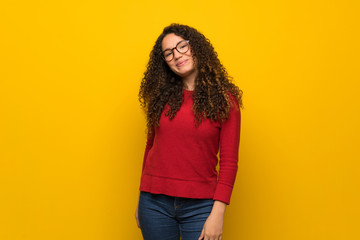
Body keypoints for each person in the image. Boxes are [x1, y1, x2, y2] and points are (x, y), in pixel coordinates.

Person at [135, 23, 243, 240]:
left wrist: (218, 213)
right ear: (164, 62)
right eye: (168, 53)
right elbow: (151, 148)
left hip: (201, 206)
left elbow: (229, 162)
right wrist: (141, 197)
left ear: (196, 47)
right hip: (154, 204)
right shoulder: (160, 99)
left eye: (182, 46)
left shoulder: (224, 100)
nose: (177, 55)